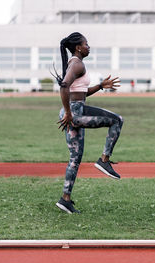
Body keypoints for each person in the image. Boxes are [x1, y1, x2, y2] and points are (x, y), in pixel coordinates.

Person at [51, 32, 124, 214]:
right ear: (78, 47)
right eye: (86, 44)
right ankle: (104, 160)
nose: (88, 47)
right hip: (75, 112)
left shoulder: (74, 64)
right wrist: (69, 113)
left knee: (75, 158)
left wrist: (100, 86)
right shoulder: (77, 64)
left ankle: (65, 199)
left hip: (73, 111)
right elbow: (64, 86)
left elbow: (79, 92)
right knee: (117, 120)